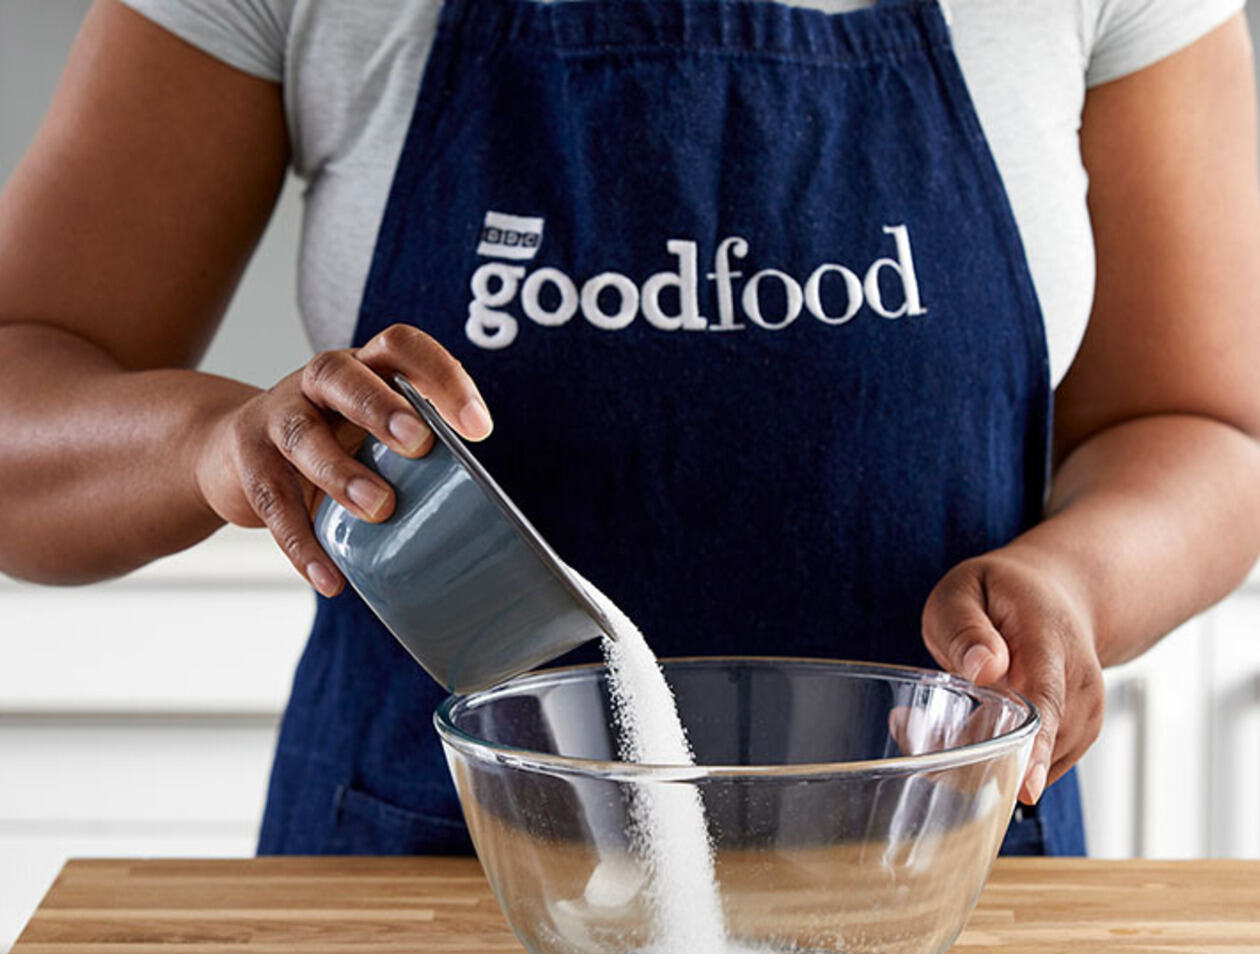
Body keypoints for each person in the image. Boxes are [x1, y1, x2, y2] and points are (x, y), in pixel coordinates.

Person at [1, 0, 1258, 858]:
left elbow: (1203, 422)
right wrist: (215, 446)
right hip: (424, 907)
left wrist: (1078, 582)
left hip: (939, 899)